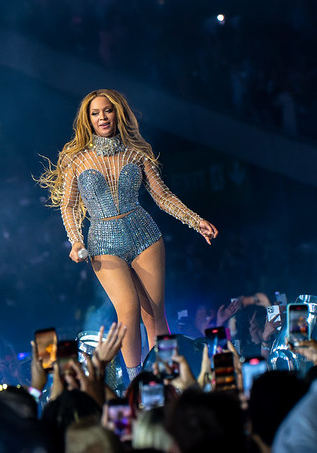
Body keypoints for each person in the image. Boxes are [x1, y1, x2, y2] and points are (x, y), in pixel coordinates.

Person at [38, 89, 218, 379]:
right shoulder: (77, 160)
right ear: (88, 120)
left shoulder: (136, 153)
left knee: (154, 314)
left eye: (107, 110)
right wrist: (75, 242)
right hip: (103, 241)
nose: (102, 117)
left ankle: (169, 377)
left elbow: (163, 197)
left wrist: (196, 221)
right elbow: (69, 206)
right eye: (95, 113)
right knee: (129, 310)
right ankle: (137, 383)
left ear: (117, 113)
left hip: (144, 234)